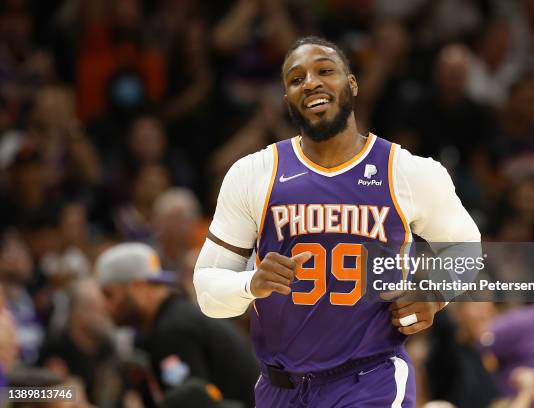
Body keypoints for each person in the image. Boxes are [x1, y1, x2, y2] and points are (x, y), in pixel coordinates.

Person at [193, 36, 480, 407]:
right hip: (279, 387)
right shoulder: (254, 173)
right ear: (287, 100)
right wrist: (252, 282)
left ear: (353, 84)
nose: (310, 82)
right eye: (296, 79)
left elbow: (467, 249)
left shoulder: (408, 172)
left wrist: (434, 294)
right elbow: (207, 292)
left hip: (369, 380)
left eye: (325, 71)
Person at [95, 242, 259, 407]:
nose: (104, 305)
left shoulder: (174, 331)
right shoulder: (176, 316)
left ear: (138, 286)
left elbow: (193, 404)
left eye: (108, 295)